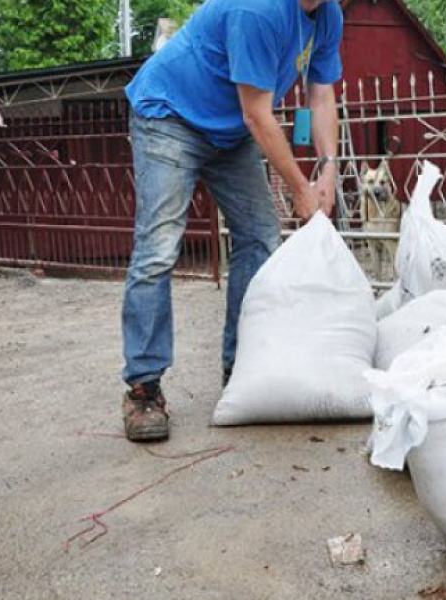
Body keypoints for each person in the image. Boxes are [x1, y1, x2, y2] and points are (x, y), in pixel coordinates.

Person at [120, 0, 343, 441]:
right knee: (159, 248)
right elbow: (258, 114)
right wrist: (300, 187)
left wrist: (329, 168)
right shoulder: (257, 11)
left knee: (260, 235)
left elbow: (321, 94)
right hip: (169, 115)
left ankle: (241, 367)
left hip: (229, 131)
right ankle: (143, 387)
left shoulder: (328, 15)